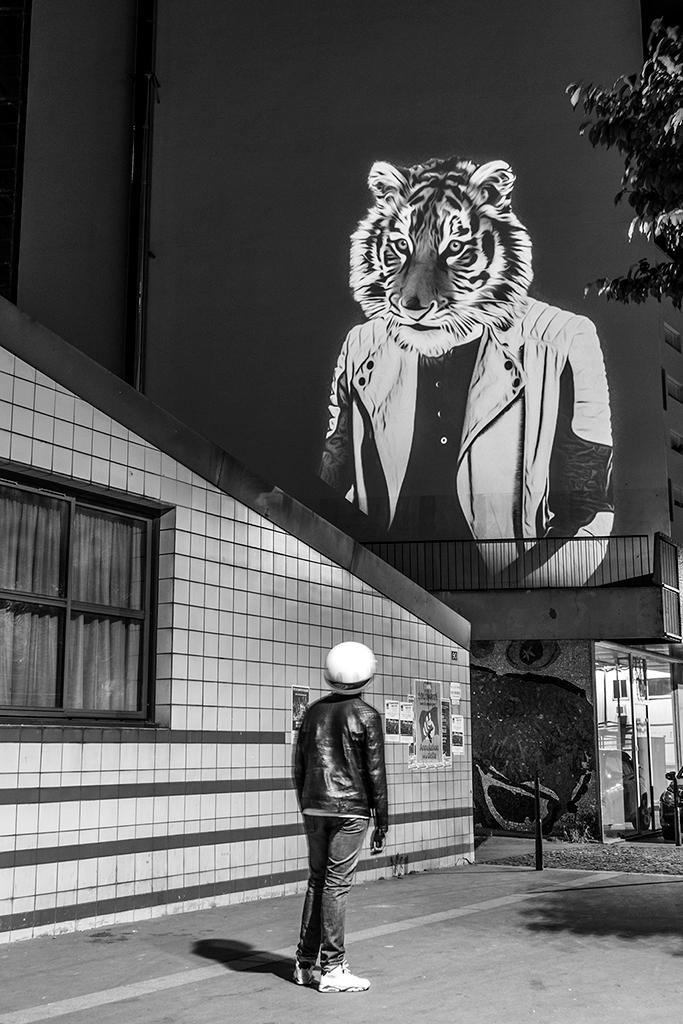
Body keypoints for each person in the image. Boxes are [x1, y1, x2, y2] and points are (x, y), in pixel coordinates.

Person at [293, 640, 389, 993]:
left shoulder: (312, 713)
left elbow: (298, 766)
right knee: (336, 884)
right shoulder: (366, 715)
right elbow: (375, 773)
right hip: (350, 810)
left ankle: (304, 964)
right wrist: (383, 820)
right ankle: (333, 968)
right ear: (367, 674)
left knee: (318, 881)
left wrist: (307, 801)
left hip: (314, 805)